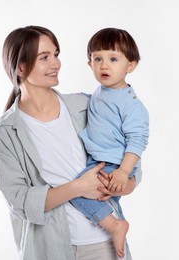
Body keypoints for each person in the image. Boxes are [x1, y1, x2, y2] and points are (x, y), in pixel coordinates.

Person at [0, 25, 142, 260]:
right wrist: (78, 187)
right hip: (51, 248)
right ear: (21, 67)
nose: (56, 63)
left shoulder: (85, 106)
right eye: (45, 57)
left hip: (105, 244)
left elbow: (126, 155)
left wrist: (128, 182)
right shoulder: (6, 132)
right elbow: (20, 202)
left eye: (56, 54)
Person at [69, 28, 149, 258]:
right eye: (98, 59)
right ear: (89, 63)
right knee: (104, 199)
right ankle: (117, 224)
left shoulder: (130, 103)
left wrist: (124, 172)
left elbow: (138, 139)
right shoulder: (102, 92)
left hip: (115, 163)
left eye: (113, 59)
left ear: (130, 66)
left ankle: (115, 226)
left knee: (76, 190)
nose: (104, 66)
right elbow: (100, 107)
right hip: (102, 160)